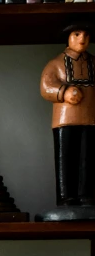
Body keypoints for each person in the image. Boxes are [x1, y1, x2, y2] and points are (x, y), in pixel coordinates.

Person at [40, 24, 95, 206]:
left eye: (86, 35)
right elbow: (46, 87)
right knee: (66, 158)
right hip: (65, 120)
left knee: (88, 157)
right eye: (77, 34)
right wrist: (64, 92)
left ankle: (86, 194)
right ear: (68, 38)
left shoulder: (93, 63)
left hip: (91, 118)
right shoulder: (56, 64)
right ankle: (66, 197)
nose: (82, 39)